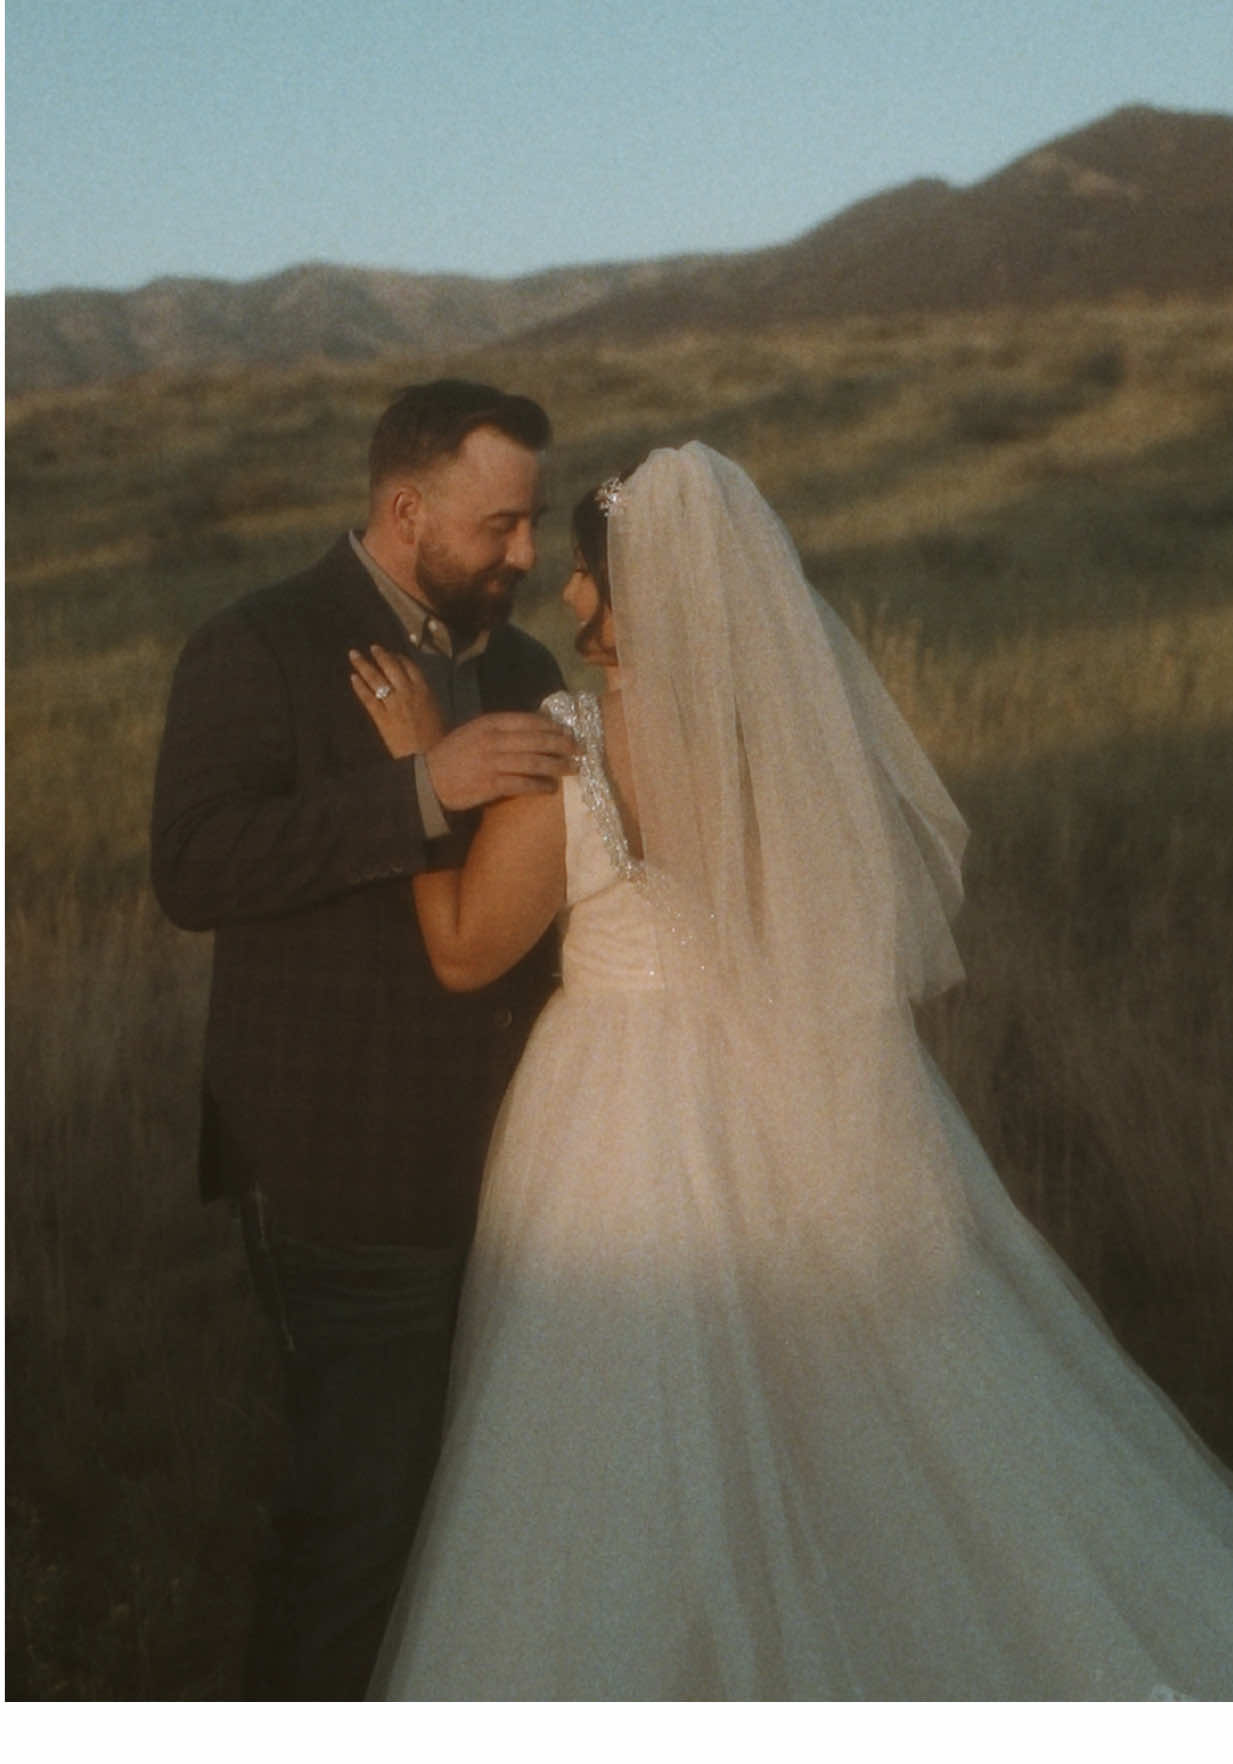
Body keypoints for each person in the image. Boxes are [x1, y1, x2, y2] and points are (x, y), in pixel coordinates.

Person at [350, 441, 1233, 1700]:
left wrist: (417, 767)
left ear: (620, 589)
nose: (569, 594)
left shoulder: (562, 744)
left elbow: (461, 951)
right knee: (832, 1410)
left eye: (587, 574)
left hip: (612, 1114)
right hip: (773, 1086)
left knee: (609, 1436)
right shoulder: (784, 747)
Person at [149, 379, 575, 1700]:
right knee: (358, 1535)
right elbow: (196, 869)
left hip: (523, 1180)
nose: (525, 555)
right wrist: (415, 792)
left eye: (533, 525)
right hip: (343, 1173)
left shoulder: (526, 670)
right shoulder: (258, 645)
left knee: (476, 1520)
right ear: (407, 512)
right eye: (500, 527)